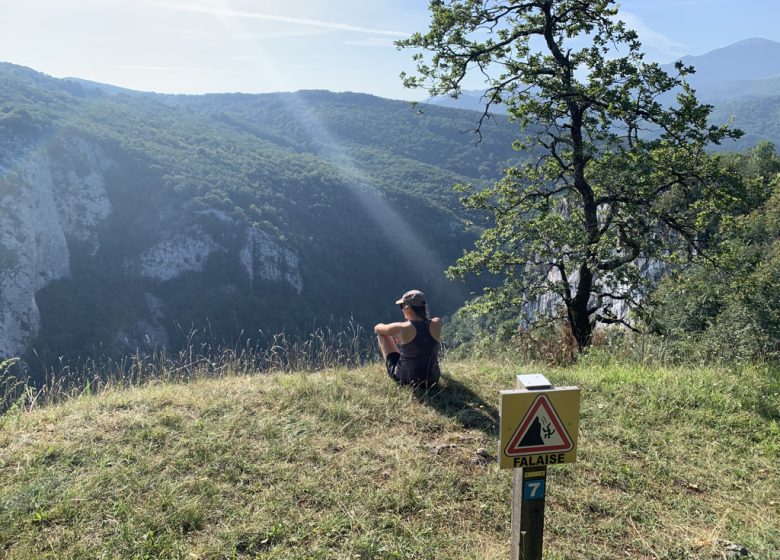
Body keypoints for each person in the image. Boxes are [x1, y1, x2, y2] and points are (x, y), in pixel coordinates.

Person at [374, 290, 441, 388]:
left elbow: (377, 329)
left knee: (382, 335)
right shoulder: (437, 323)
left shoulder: (402, 327)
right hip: (432, 380)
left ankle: (390, 365)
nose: (401, 309)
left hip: (406, 380)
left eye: (402, 306)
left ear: (408, 308)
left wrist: (395, 333)